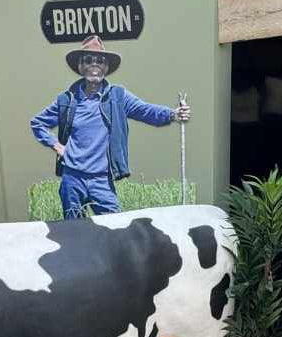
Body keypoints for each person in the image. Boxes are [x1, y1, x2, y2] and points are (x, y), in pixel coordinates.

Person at [30, 35, 190, 219]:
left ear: (106, 67)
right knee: (74, 232)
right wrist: (56, 145)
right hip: (72, 179)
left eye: (100, 60)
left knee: (114, 228)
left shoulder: (118, 96)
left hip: (102, 180)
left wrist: (172, 114)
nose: (94, 65)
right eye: (88, 60)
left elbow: (145, 110)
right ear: (80, 67)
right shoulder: (67, 100)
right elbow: (37, 123)